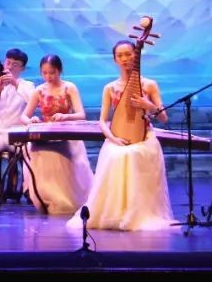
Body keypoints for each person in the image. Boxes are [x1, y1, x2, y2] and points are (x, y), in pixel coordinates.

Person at [70, 41, 173, 230]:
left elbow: (164, 118)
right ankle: (115, 214)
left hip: (144, 139)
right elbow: (102, 121)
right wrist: (113, 139)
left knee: (133, 155)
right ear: (115, 60)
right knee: (116, 154)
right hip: (117, 138)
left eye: (128, 54)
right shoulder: (110, 88)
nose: (125, 59)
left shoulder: (149, 85)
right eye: (120, 55)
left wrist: (148, 105)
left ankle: (138, 213)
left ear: (136, 56)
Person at [19, 54, 92, 215]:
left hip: (67, 132)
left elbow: (81, 114)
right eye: (44, 73)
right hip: (46, 134)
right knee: (34, 150)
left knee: (62, 154)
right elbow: (23, 116)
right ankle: (47, 198)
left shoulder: (69, 88)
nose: (48, 76)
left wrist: (66, 116)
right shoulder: (39, 91)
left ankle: (67, 200)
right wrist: (32, 120)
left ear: (60, 71)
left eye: (52, 72)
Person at [0, 48, 34, 205]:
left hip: (17, 132)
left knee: (30, 147)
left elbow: (33, 101)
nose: (10, 67)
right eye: (8, 63)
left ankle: (29, 190)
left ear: (22, 69)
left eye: (15, 65)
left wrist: (15, 84)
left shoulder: (27, 85)